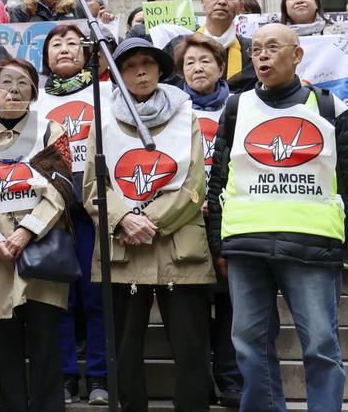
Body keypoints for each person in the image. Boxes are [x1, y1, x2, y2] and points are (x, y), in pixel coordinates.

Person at [207, 24, 348, 412]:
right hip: (246, 246)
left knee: (321, 346)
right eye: (256, 48)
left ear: (297, 55)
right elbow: (218, 182)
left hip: (312, 246)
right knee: (248, 343)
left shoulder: (329, 108)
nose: (261, 55)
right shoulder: (235, 107)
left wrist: (347, 247)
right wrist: (218, 245)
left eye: (273, 47)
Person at [83, 37, 215, 412]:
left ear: (160, 70)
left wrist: (148, 221)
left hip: (180, 251)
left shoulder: (186, 117)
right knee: (124, 354)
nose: (140, 70)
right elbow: (94, 185)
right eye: (129, 65)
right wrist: (124, 217)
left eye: (147, 63)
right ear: (119, 75)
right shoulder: (103, 120)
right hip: (125, 252)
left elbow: (195, 184)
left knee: (191, 352)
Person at [0, 58, 70, 412]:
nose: (14, 89)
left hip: (40, 250)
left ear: (34, 92)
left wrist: (27, 231)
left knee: (45, 346)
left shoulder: (49, 130)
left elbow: (61, 187)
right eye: (6, 83)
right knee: (6, 348)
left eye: (23, 83)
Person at [36, 24, 108, 405]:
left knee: (95, 295)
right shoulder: (36, 100)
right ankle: (64, 375)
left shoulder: (106, 91)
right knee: (60, 297)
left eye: (72, 43)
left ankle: (99, 376)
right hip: (53, 207)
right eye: (56, 44)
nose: (64, 49)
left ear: (86, 52)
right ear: (46, 56)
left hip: (94, 206)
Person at [174, 34, 242, 408]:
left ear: (220, 68)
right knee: (193, 305)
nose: (197, 68)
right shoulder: (172, 110)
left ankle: (231, 378)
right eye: (189, 63)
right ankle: (199, 381)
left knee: (232, 302)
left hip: (230, 217)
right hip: (186, 218)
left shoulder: (239, 107)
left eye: (205, 61)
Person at [165, 0, 256, 94]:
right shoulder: (178, 45)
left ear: (240, 7)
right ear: (203, 2)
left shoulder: (251, 51)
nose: (222, 1)